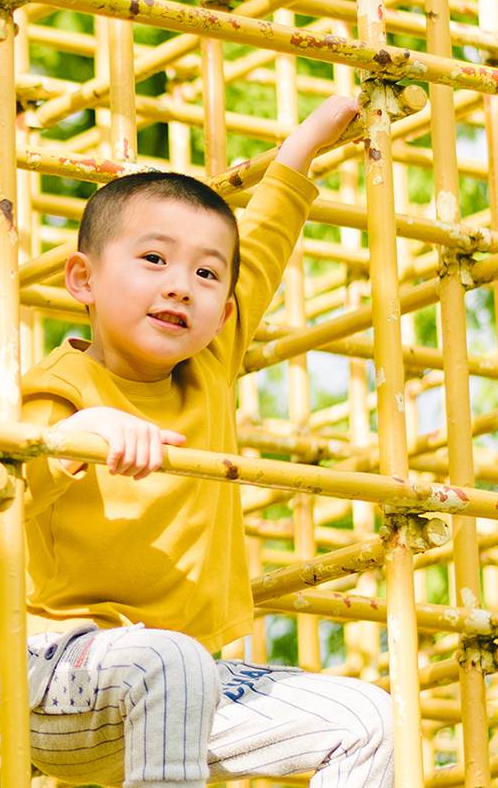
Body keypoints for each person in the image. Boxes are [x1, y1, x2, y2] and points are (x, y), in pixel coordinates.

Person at [20, 95, 393, 788]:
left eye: (204, 274)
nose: (179, 286)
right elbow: (7, 479)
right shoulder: (58, 386)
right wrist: (81, 435)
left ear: (223, 313)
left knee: (369, 717)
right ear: (84, 280)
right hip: (62, 681)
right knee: (175, 660)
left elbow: (269, 242)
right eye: (154, 258)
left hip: (191, 688)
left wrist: (302, 149)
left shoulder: (210, 363)